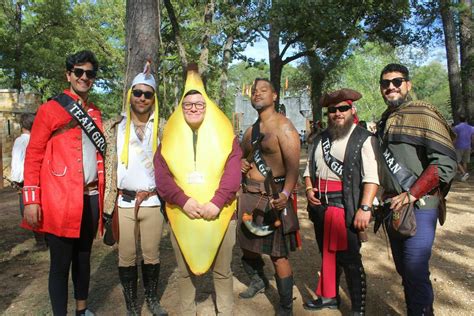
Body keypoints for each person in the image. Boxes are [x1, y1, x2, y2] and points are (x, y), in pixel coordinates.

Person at [22, 50, 105, 316]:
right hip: (59, 199)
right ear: (68, 74)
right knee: (59, 265)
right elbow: (33, 155)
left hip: (90, 198)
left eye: (89, 73)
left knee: (83, 258)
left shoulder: (96, 112)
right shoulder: (50, 109)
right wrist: (31, 199)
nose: (84, 77)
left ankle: (82, 311)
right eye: (78, 72)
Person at [154, 65, 241, 316]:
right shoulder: (168, 138)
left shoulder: (227, 135)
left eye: (199, 104)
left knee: (223, 271)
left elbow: (233, 170)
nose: (194, 109)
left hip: (221, 213)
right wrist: (183, 200)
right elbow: (162, 175)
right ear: (182, 107)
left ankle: (224, 312)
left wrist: (217, 201)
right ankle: (187, 312)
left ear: (207, 106)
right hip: (183, 214)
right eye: (188, 105)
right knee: (185, 273)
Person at [377, 63, 457, 315]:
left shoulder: (424, 114)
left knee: (415, 268)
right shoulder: (385, 119)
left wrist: (412, 193)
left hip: (421, 206)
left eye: (397, 81)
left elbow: (444, 162)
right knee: (404, 269)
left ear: (408, 85)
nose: (391, 86)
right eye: (385, 83)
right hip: (393, 207)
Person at [302, 89, 379, 315]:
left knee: (350, 259)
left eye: (342, 108)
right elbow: (308, 170)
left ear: (352, 110)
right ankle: (329, 298)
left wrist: (365, 208)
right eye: (332, 110)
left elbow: (371, 177)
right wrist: (308, 189)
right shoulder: (320, 139)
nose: (337, 113)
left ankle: (358, 309)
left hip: (346, 205)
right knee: (327, 253)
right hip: (320, 206)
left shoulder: (364, 138)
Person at [103, 64, 167, 315]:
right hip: (124, 202)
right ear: (130, 94)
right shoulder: (114, 127)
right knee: (126, 257)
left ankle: (151, 299)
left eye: (147, 94)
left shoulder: (164, 128)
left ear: (154, 98)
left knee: (152, 255)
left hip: (152, 202)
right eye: (137, 93)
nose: (142, 98)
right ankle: (131, 306)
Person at [238, 78, 300, 315]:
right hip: (249, 196)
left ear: (274, 96)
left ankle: (285, 307)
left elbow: (293, 167)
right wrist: (243, 161)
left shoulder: (284, 127)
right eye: (254, 91)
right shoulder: (251, 131)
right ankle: (257, 280)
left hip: (272, 197)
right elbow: (240, 155)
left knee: (278, 255)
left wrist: (286, 193)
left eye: (264, 90)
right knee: (247, 246)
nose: (257, 94)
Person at [10, 113, 46, 246]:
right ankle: (43, 237)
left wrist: (16, 179)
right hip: (39, 179)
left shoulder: (21, 141)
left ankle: (40, 239)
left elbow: (17, 163)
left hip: (26, 180)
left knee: (26, 208)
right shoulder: (40, 139)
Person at [453, 115, 474, 181]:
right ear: (466, 119)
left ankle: (464, 173)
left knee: (457, 161)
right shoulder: (471, 128)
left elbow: (455, 137)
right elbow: (472, 138)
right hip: (468, 146)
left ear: (459, 119)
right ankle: (465, 175)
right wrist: (473, 147)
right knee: (465, 162)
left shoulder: (456, 127)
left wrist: (452, 144)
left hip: (459, 146)